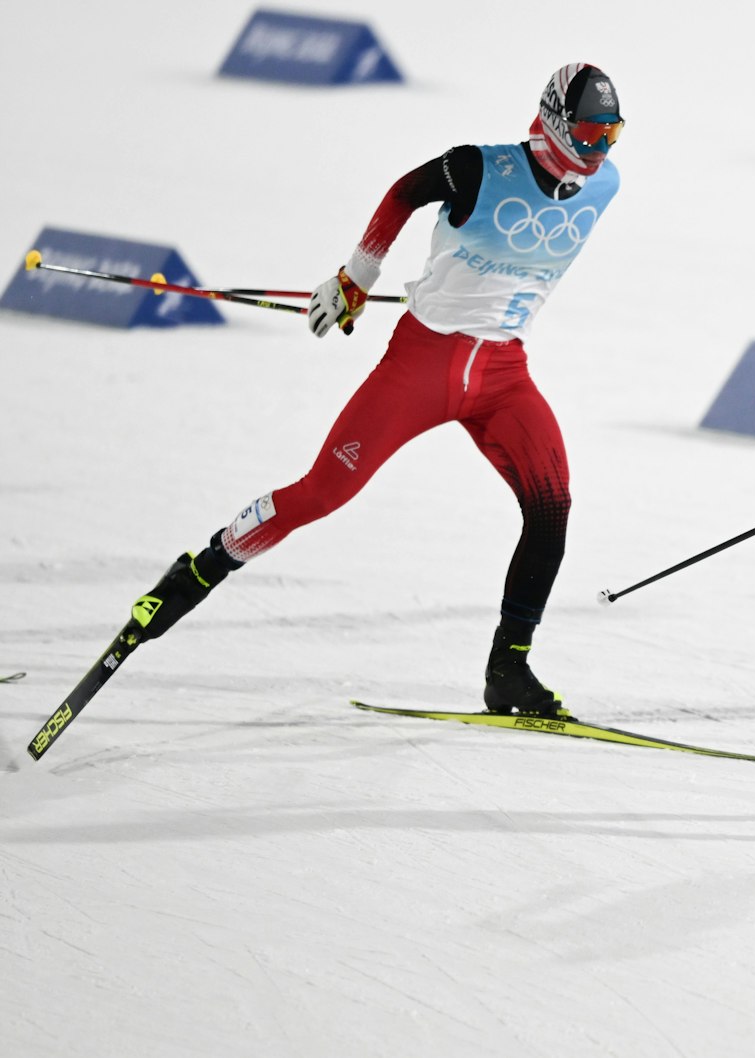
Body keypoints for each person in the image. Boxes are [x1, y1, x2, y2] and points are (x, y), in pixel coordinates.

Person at [112, 63, 625, 718]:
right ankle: (200, 570)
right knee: (321, 493)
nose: (599, 148)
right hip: (423, 365)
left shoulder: (605, 183)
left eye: (612, 133)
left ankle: (509, 670)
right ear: (554, 122)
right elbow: (403, 193)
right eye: (589, 132)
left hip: (503, 373)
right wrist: (356, 277)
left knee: (552, 509)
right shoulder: (480, 168)